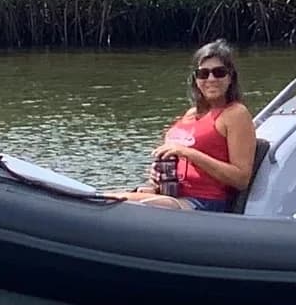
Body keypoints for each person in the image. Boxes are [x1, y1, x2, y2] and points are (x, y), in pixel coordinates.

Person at [107, 40, 257, 212]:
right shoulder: (191, 114)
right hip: (173, 195)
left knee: (111, 200)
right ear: (196, 79)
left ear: (230, 77)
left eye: (219, 72)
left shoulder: (235, 114)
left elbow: (241, 178)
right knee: (104, 198)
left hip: (204, 202)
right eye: (203, 74)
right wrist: (156, 180)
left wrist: (187, 152)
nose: (211, 79)